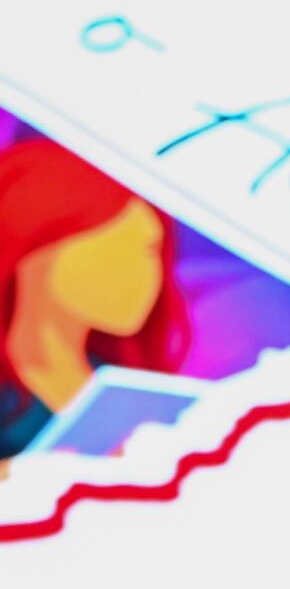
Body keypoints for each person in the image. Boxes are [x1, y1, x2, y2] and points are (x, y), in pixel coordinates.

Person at [0, 138, 189, 463]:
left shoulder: (127, 388)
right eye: (113, 255)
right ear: (37, 249)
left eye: (149, 252)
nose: (144, 278)